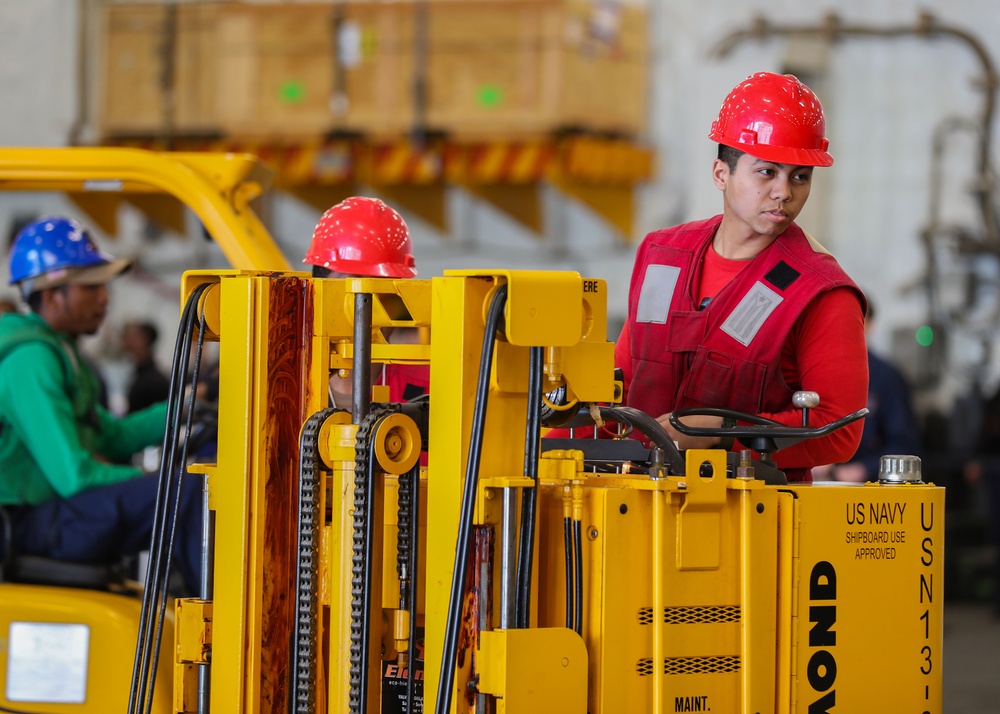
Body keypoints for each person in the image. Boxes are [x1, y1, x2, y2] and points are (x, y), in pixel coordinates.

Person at [614, 72, 868, 481]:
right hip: (632, 503)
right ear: (721, 174)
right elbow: (621, 381)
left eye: (799, 176)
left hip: (752, 519)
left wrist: (723, 434)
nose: (784, 192)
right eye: (767, 172)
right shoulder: (664, 257)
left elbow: (838, 431)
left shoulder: (821, 292)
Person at [0, 217, 201, 592]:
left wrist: (186, 407)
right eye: (91, 287)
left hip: (54, 512)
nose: (105, 298)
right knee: (189, 494)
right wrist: (146, 481)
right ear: (50, 295)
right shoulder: (31, 361)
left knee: (191, 485)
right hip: (30, 523)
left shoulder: (64, 354)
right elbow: (75, 476)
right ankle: (220, 635)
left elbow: (111, 435)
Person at [303, 196, 429, 408]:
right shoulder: (283, 389)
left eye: (382, 288)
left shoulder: (432, 389)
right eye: (351, 285)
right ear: (317, 290)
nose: (366, 306)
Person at [820, 299, 922, 482]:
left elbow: (904, 443)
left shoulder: (886, 378)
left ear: (870, 325)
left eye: (853, 320)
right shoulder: (816, 372)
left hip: (868, 488)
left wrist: (862, 469)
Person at [121, 320, 171, 414]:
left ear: (144, 339)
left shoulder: (155, 382)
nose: (125, 338)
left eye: (132, 335)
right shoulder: (141, 375)